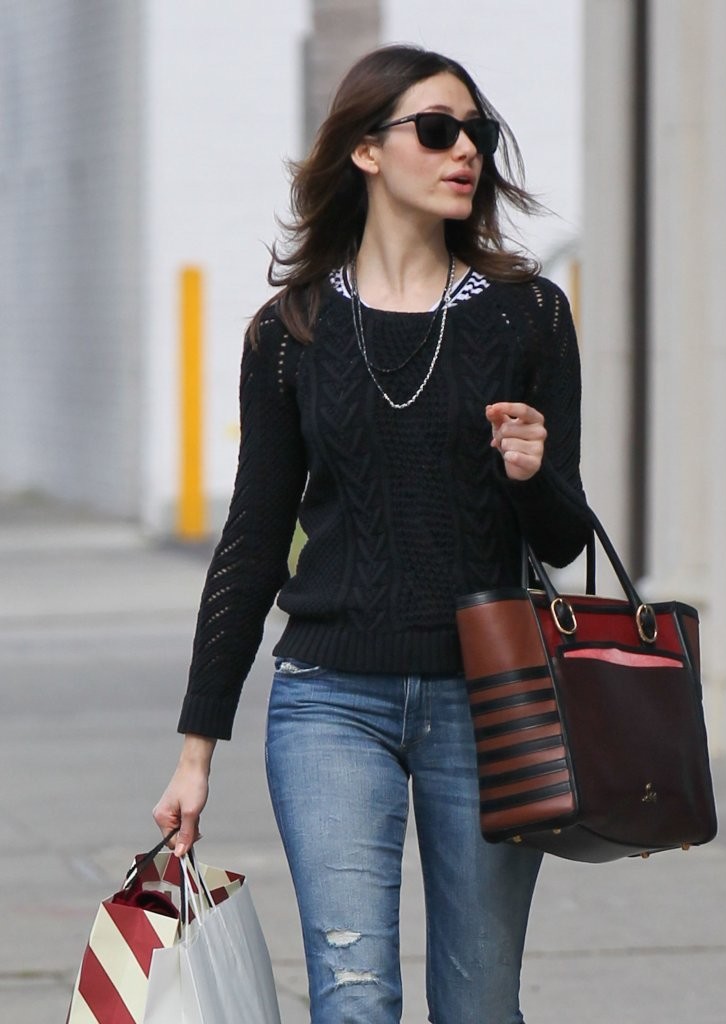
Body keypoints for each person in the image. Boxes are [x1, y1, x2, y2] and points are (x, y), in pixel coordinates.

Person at [153, 43, 589, 1024]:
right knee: (353, 999)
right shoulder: (290, 332)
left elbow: (562, 538)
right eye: (436, 130)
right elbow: (253, 540)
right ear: (365, 149)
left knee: (479, 1007)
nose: (464, 151)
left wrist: (531, 475)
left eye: (476, 133)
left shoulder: (528, 315)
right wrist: (196, 748)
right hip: (330, 701)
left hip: (492, 700)